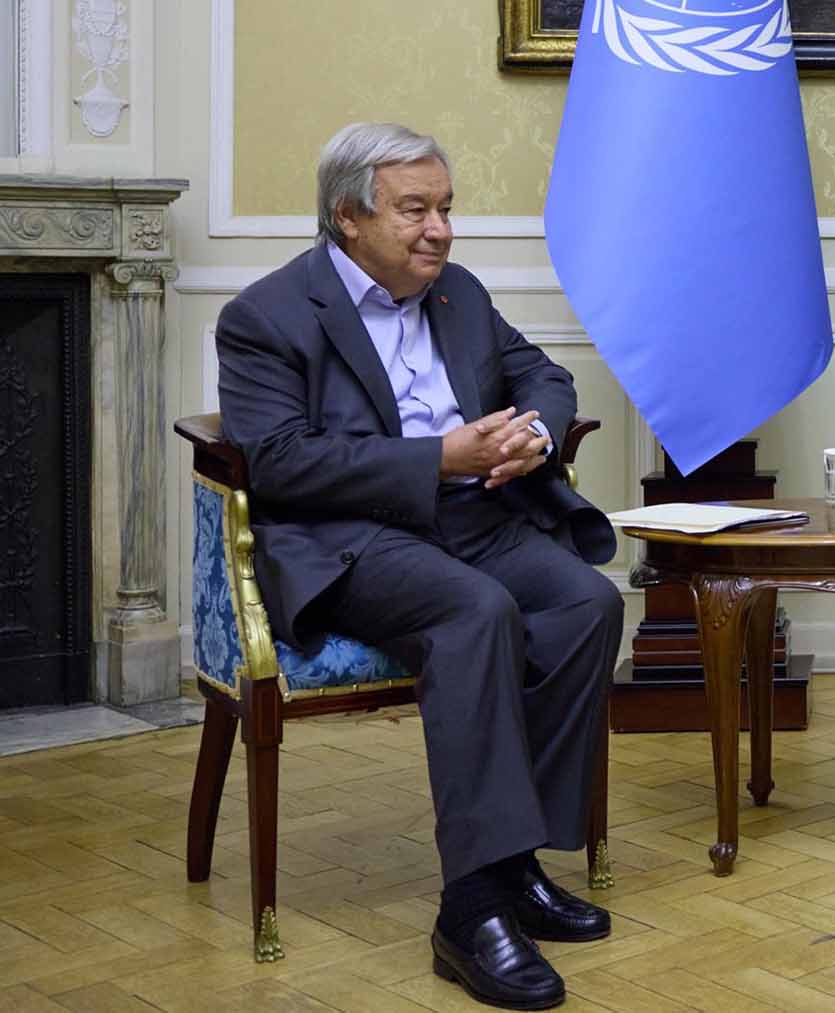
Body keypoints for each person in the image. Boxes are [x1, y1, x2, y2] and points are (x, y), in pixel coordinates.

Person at [216, 122, 624, 1010]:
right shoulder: (266, 316)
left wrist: (533, 435)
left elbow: (546, 376)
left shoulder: (459, 294)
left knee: (585, 603)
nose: (440, 229)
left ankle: (513, 865)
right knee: (476, 614)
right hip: (355, 537)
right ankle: (469, 909)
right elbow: (279, 460)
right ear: (348, 218)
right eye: (416, 210)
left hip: (479, 519)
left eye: (445, 208)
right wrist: (437, 458)